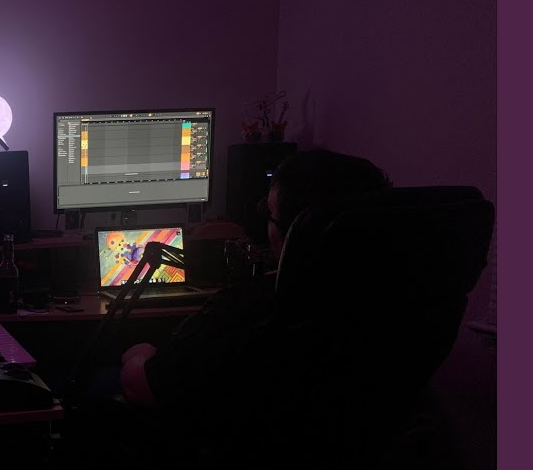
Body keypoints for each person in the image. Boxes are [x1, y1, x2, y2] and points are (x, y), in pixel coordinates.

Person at [117, 148, 393, 409]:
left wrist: (141, 352)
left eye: (271, 215)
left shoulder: (249, 309)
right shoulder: (392, 307)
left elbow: (142, 388)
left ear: (296, 231)